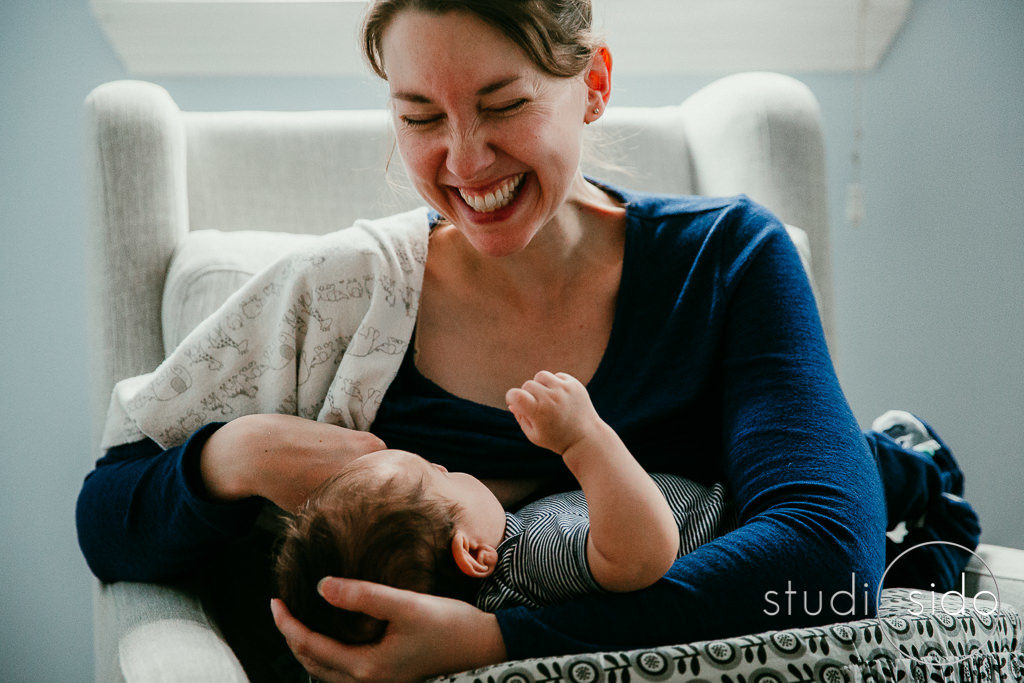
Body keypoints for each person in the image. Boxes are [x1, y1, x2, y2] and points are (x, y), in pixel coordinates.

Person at [75, 1, 978, 680]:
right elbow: (107, 515)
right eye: (421, 116)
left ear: (593, 85)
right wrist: (230, 455)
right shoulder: (340, 298)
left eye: (502, 104)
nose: (464, 163)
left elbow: (824, 563)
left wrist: (497, 643)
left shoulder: (726, 262)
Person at [274, 371, 735, 642]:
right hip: (729, 525)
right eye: (437, 475)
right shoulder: (528, 560)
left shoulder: (507, 572)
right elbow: (642, 553)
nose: (442, 464)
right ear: (473, 553)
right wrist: (584, 439)